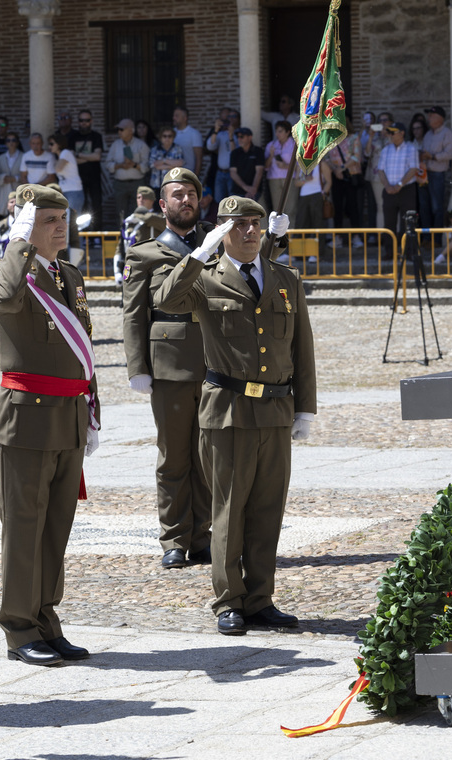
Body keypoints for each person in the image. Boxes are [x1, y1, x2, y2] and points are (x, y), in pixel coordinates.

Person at [154, 196, 316, 635]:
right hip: (227, 411)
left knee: (268, 510)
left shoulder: (284, 278)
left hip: (276, 411)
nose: (248, 231)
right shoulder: (207, 277)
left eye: (255, 224)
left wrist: (305, 408)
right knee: (228, 508)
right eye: (237, 224)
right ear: (221, 230)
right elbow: (167, 299)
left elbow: (302, 348)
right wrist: (198, 254)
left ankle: (261, 598)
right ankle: (229, 599)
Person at [125, 169, 290, 570]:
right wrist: (138, 367)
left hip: (220, 362)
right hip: (172, 366)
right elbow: (133, 313)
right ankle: (175, 538)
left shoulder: (217, 244)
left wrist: (274, 238)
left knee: (212, 458)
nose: (186, 201)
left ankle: (205, 535)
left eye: (193, 195)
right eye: (178, 195)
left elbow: (249, 273)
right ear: (163, 205)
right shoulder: (145, 253)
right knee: (175, 455)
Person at [0, 184, 99, 667]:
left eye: (62, 218)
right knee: (24, 528)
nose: (60, 226)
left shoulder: (68, 274)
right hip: (27, 419)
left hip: (67, 416)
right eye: (48, 219)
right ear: (25, 223)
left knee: (56, 527)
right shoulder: (11, 273)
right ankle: (18, 627)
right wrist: (17, 244)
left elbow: (82, 349)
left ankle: (46, 619)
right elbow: (5, 299)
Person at [375, 122, 419, 251]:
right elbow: (380, 170)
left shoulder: (411, 149)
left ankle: (409, 252)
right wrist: (388, 186)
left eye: (393, 132)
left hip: (407, 190)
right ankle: (389, 252)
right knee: (389, 223)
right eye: (389, 132)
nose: (390, 135)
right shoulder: (385, 150)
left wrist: (400, 185)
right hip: (389, 191)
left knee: (408, 223)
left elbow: (413, 169)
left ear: (402, 133)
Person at [111, 186, 166, 285]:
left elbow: (163, 224)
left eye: (145, 198)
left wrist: (140, 215)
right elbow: (120, 248)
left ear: (152, 200)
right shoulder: (129, 221)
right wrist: (117, 271)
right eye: (139, 197)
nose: (141, 200)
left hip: (153, 269)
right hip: (132, 269)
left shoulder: (159, 218)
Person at [421, 106, 452, 229]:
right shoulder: (428, 135)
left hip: (437, 175)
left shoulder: (447, 133)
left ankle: (437, 239)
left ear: (440, 118)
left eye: (431, 115)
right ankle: (426, 238)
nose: (428, 118)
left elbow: (450, 154)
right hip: (424, 175)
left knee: (437, 208)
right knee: (425, 207)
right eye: (428, 115)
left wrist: (433, 157)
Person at [109, 119, 150, 222]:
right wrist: (119, 165)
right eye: (118, 129)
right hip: (119, 184)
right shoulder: (115, 145)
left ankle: (136, 237)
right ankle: (122, 237)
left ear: (131, 130)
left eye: (121, 129)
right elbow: (107, 163)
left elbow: (147, 166)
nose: (119, 132)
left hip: (137, 184)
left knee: (137, 213)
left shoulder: (141, 145)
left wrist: (134, 165)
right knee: (120, 213)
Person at [70, 110, 104, 227]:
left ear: (91, 121)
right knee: (82, 207)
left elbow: (97, 156)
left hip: (94, 177)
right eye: (81, 120)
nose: (84, 123)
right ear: (78, 122)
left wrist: (79, 155)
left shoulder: (96, 136)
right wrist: (90, 157)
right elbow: (71, 159)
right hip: (78, 178)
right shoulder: (72, 137)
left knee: (96, 205)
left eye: (87, 120)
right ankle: (83, 234)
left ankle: (97, 234)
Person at [264, 121, 296, 217]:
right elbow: (265, 166)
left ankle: (291, 232)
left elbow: (300, 165)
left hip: (290, 178)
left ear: (287, 132)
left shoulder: (294, 145)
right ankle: (279, 232)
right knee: (277, 210)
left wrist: (285, 166)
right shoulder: (271, 145)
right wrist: (271, 155)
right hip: (274, 179)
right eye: (276, 131)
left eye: (280, 131)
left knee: (291, 208)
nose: (277, 134)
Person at [206, 108, 239, 202]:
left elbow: (236, 154)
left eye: (234, 116)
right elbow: (210, 146)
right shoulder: (221, 134)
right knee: (219, 201)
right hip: (220, 172)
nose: (231, 119)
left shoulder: (240, 134)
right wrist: (216, 130)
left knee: (233, 202)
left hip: (233, 173)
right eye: (229, 117)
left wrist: (231, 136)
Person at [228, 128, 265, 208]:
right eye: (238, 137)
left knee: (250, 215)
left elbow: (259, 171)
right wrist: (246, 187)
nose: (239, 139)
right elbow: (233, 173)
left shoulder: (258, 151)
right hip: (237, 191)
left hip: (253, 192)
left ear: (250, 137)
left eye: (242, 137)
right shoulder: (235, 153)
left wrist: (253, 189)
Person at [48, 134, 83, 213]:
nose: (50, 146)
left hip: (74, 191)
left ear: (59, 144)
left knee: (73, 220)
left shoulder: (65, 152)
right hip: (65, 191)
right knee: (66, 219)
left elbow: (58, 169)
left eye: (52, 144)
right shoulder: (60, 156)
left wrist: (53, 161)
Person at [0, 133, 23, 220]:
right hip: (4, 191)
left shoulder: (23, 156)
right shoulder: (1, 157)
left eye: (13, 140)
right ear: (5, 143)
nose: (11, 143)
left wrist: (15, 178)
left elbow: (26, 175)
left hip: (18, 189)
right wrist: (3, 177)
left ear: (17, 142)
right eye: (8, 140)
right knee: (5, 215)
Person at [171, 107, 204, 177]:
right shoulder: (171, 133)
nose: (173, 118)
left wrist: (195, 177)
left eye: (176, 116)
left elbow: (199, 158)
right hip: (172, 175)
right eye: (173, 116)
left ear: (185, 118)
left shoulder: (194, 134)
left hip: (187, 174)